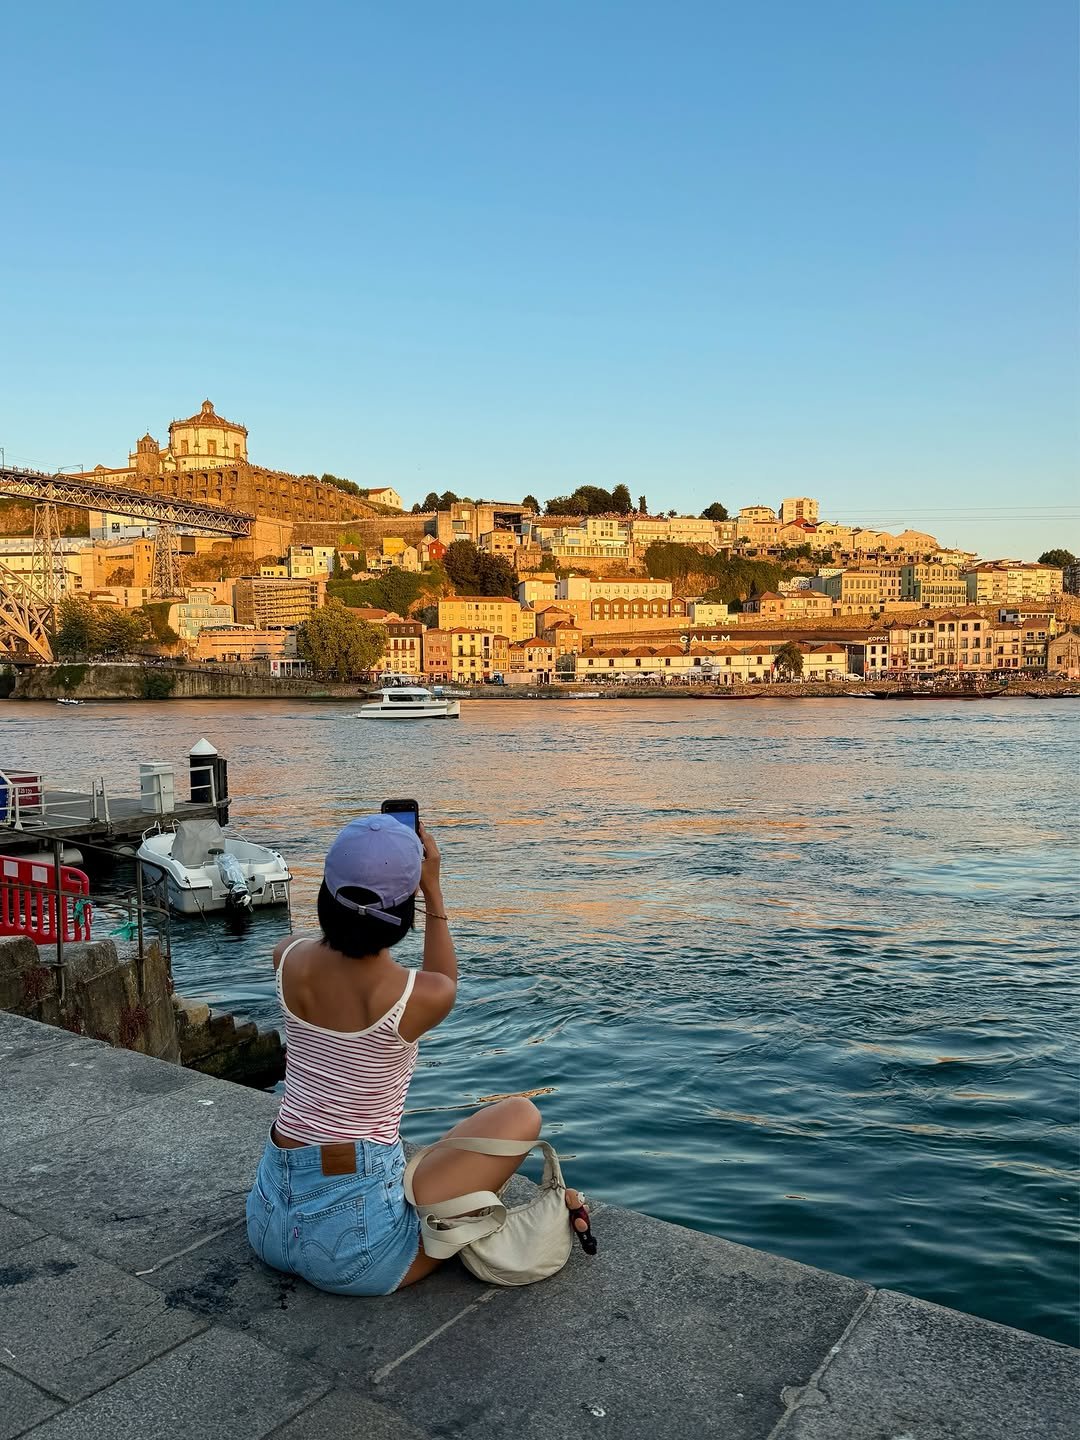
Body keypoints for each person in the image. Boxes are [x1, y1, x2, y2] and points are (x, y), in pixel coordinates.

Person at [245, 813, 594, 1295]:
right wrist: (433, 887)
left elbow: (329, 946)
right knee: (521, 1115)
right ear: (404, 910)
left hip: (268, 1225)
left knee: (424, 1159)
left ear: (327, 894)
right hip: (358, 1257)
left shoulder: (285, 956)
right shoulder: (414, 996)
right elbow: (443, 980)